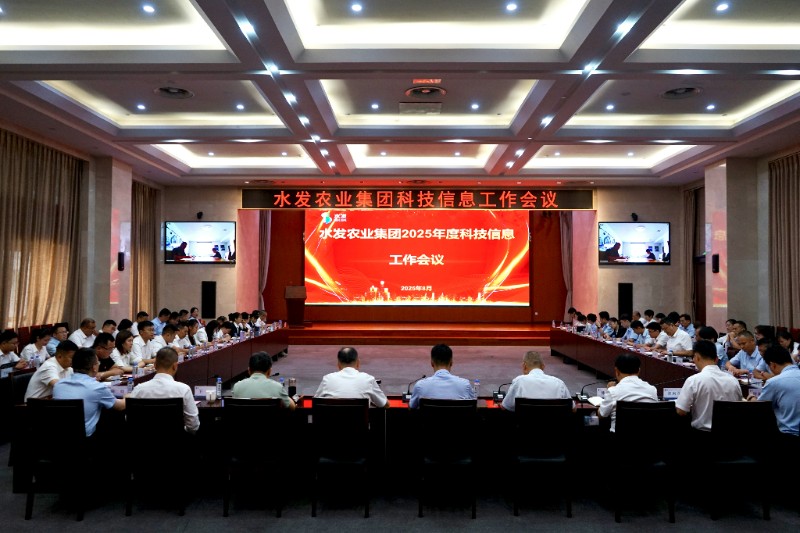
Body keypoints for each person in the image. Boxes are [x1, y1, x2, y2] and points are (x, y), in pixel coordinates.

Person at [53, 348, 125, 437]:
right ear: (94, 367)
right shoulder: (97, 387)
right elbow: (120, 406)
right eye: (98, 363)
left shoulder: (58, 385)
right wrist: (128, 395)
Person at [676, 340, 742, 434]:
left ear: (697, 357)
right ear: (716, 359)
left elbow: (681, 411)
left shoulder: (694, 380)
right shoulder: (733, 380)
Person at [128, 347, 199, 434]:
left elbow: (129, 419)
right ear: (175, 366)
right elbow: (193, 425)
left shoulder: (139, 389)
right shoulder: (184, 389)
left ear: (155, 365)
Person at [597, 353, 658, 432]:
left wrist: (609, 393)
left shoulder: (613, 391)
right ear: (639, 371)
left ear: (617, 371)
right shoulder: (652, 390)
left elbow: (602, 414)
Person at [314, 347, 387, 407]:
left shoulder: (327, 379)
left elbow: (315, 403)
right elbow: (385, 404)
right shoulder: (368, 380)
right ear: (358, 363)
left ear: (338, 364)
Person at [501, 351, 573, 412]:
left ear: (524, 366)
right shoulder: (559, 383)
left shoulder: (519, 381)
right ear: (543, 366)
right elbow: (573, 409)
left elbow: (505, 406)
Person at [409, 344, 475, 409]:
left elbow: (412, 407)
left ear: (432, 363)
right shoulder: (465, 385)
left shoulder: (420, 386)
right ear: (451, 363)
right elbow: (474, 405)